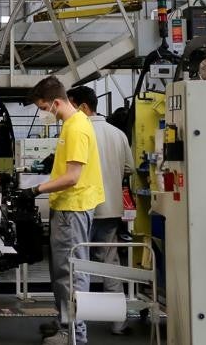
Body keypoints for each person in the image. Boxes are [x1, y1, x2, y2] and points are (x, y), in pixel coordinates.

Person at [29, 76, 105, 345]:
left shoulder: (75, 128)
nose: (43, 113)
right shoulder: (71, 125)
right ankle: (66, 323)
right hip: (67, 207)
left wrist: (37, 189)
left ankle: (74, 334)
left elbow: (73, 176)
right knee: (62, 272)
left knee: (71, 274)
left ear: (56, 102)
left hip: (73, 208)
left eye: (43, 108)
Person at [68, 85, 134, 336]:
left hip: (82, 208)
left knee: (78, 265)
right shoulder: (117, 134)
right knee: (110, 263)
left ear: (83, 107)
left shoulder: (77, 131)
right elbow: (128, 168)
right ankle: (119, 323)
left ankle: (77, 326)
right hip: (111, 209)